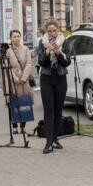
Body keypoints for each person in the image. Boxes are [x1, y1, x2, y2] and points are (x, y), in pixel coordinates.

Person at [36, 19, 70, 154]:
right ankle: (48, 143)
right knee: (48, 111)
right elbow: (41, 62)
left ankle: (55, 138)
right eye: (49, 31)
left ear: (58, 30)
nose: (52, 33)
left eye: (54, 31)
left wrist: (57, 52)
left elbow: (67, 62)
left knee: (58, 111)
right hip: (46, 78)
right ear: (46, 31)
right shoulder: (42, 42)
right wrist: (47, 52)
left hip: (60, 77)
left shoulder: (64, 41)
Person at [2, 29, 34, 138]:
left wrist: (24, 77)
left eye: (18, 36)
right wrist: (14, 78)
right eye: (14, 36)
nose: (16, 38)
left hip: (24, 80)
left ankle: (23, 126)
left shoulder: (25, 49)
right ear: (10, 38)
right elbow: (7, 66)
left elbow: (29, 63)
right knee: (13, 102)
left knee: (24, 102)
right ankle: (14, 126)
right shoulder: (8, 51)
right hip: (12, 80)